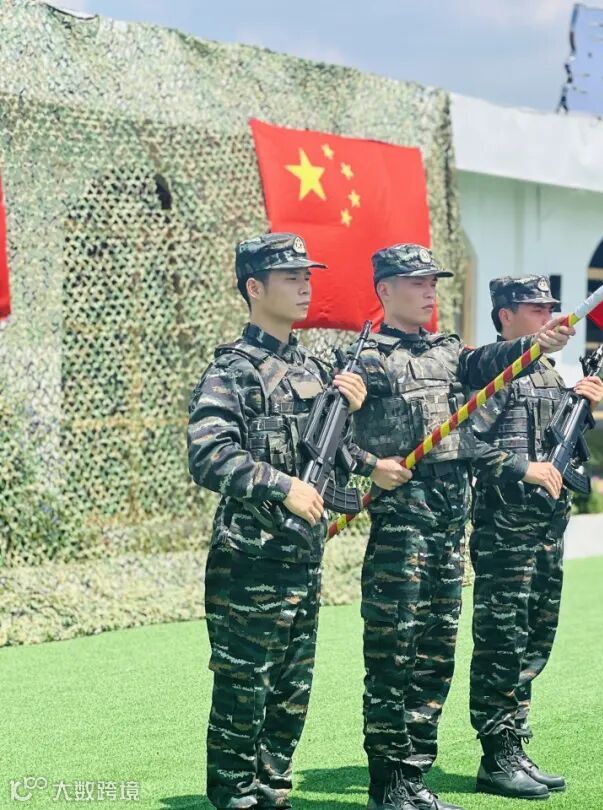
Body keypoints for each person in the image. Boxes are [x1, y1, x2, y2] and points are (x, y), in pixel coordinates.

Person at [347, 244, 572, 810]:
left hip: (449, 528)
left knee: (434, 658)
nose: (430, 291)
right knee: (395, 655)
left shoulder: (448, 351)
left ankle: (414, 778)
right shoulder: (365, 358)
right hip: (403, 527)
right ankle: (388, 783)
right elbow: (321, 433)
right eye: (417, 282)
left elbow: (488, 363)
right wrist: (371, 465)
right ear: (385, 290)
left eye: (433, 282)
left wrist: (536, 343)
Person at [187, 232, 368, 809]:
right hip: (250, 561)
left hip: (302, 558)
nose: (305, 286)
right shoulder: (234, 371)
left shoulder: (315, 369)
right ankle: (234, 794)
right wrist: (284, 486)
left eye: (307, 276)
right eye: (291, 277)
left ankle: (271, 790)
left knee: (292, 690)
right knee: (244, 686)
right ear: (255, 288)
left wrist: (350, 412)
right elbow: (209, 454)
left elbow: (336, 455)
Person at [467, 275, 603, 800]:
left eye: (551, 307)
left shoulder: (547, 372)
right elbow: (463, 442)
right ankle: (495, 755)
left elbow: (553, 440)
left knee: (533, 638)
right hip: (506, 528)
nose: (551, 317)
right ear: (506, 316)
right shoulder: (495, 372)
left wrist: (583, 402)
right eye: (536, 309)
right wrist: (523, 469)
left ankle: (516, 743)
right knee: (501, 641)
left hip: (547, 526)